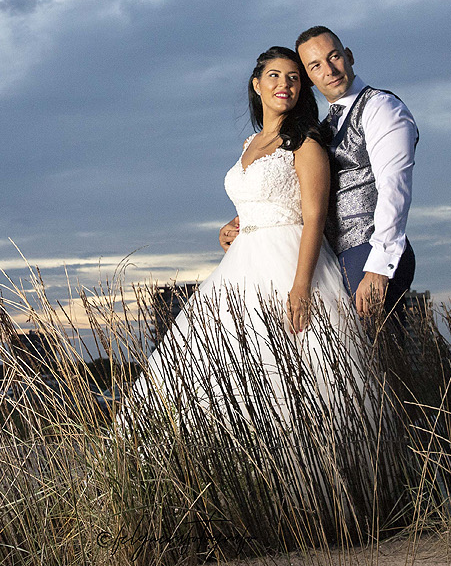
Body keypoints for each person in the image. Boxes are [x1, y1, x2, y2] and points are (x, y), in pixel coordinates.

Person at [121, 46, 371, 433]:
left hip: (290, 261)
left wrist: (301, 286)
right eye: (275, 75)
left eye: (293, 77)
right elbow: (257, 201)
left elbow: (314, 217)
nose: (284, 84)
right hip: (242, 264)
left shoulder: (305, 144)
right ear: (256, 85)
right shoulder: (249, 144)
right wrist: (231, 228)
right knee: (216, 362)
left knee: (295, 366)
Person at [221, 26, 418, 330]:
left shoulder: (380, 107)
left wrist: (379, 267)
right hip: (334, 255)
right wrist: (244, 225)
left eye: (334, 57)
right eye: (315, 66)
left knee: (377, 352)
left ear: (348, 56)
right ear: (311, 79)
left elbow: (394, 188)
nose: (329, 70)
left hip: (368, 251)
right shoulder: (325, 125)